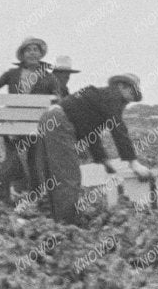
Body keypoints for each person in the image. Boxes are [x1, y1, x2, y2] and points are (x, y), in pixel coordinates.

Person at [37, 73, 147, 226]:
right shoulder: (113, 96)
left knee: (55, 174)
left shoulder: (101, 97)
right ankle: (68, 225)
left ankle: (59, 221)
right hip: (59, 121)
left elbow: (91, 133)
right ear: (122, 86)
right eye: (130, 96)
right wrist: (133, 162)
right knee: (68, 175)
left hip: (49, 117)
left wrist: (103, 160)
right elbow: (118, 129)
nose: (125, 104)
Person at [0, 38, 60, 203]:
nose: (32, 53)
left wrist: (56, 101)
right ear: (23, 55)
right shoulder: (12, 74)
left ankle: (35, 197)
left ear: (40, 54)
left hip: (36, 125)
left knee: (35, 162)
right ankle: (1, 196)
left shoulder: (49, 77)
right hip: (14, 124)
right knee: (13, 160)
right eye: (28, 50)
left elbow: (57, 96)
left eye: (35, 50)